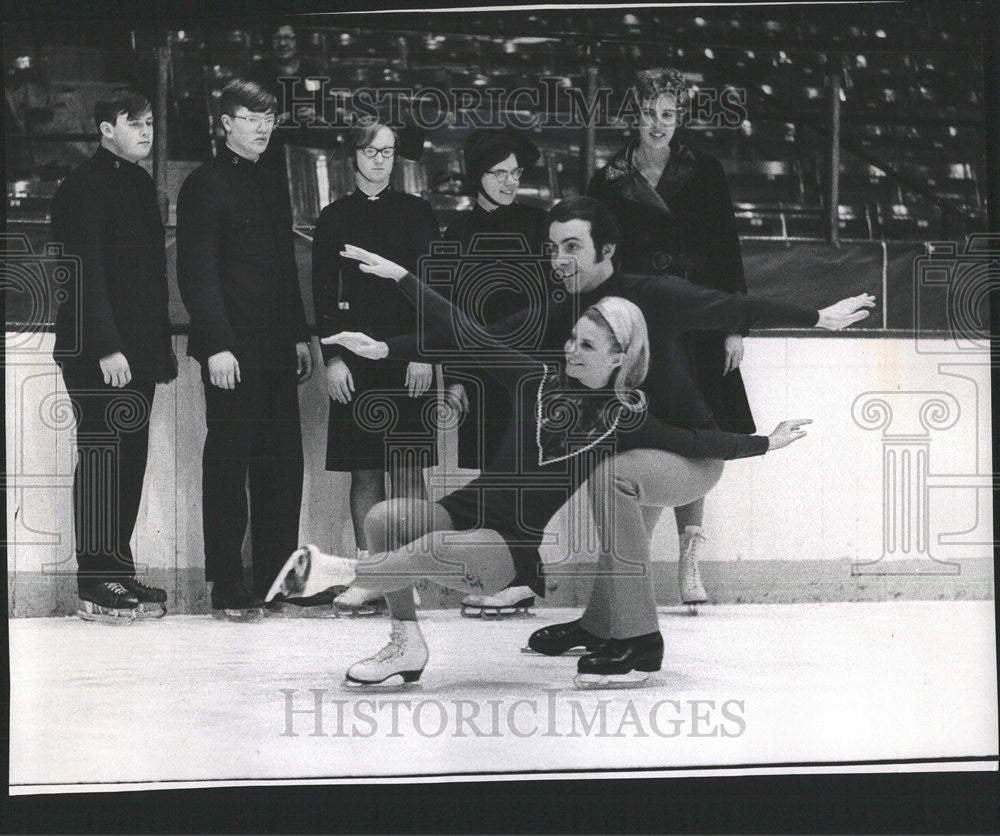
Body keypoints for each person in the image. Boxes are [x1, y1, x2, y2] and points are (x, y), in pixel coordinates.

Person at [267, 234, 872, 689]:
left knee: (428, 554)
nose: (570, 349)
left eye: (587, 345)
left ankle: (339, 575)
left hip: (507, 552)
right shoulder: (535, 380)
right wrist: (400, 277)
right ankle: (405, 646)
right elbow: (465, 330)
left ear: (619, 359)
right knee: (386, 521)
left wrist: (767, 440)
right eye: (571, 338)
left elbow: (699, 444)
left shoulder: (623, 418)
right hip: (466, 511)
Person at [588, 67, 754, 608]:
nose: (659, 124)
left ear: (679, 117)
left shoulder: (704, 171)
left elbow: (727, 247)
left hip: (699, 320)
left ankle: (689, 559)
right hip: (641, 327)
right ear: (632, 114)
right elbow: (600, 260)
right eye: (649, 113)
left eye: (669, 114)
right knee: (647, 437)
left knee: (698, 436)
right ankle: (629, 569)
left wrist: (734, 324)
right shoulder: (608, 179)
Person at [176, 78, 313, 622]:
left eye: (269, 117)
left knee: (283, 465)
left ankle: (276, 578)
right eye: (251, 118)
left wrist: (299, 334)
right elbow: (197, 271)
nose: (263, 127)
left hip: (278, 347)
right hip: (231, 351)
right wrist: (216, 345)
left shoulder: (271, 180)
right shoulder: (204, 185)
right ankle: (227, 581)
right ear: (225, 123)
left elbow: (284, 267)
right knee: (229, 466)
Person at [51, 89, 176, 622]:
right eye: (135, 123)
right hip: (99, 352)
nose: (147, 132)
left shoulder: (140, 181)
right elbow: (84, 272)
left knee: (130, 460)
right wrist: (106, 346)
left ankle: (117, 571)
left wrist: (151, 350)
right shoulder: (82, 186)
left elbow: (147, 277)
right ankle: (96, 579)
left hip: (137, 350)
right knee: (103, 458)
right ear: (106, 129)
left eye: (149, 123)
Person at [306, 114, 439, 618]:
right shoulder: (334, 216)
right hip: (355, 358)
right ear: (354, 156)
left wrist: (424, 353)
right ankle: (372, 574)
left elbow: (433, 288)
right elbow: (321, 291)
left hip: (408, 355)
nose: (379, 159)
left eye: (387, 151)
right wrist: (333, 358)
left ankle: (409, 572)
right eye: (370, 151)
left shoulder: (418, 212)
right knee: (365, 471)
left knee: (408, 471)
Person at [442, 126, 550, 618]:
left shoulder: (537, 224)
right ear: (476, 177)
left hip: (529, 370)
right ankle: (507, 575)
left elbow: (554, 297)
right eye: (499, 173)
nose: (510, 182)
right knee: (491, 475)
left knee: (521, 476)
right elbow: (452, 314)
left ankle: (524, 578)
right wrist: (458, 378)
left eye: (516, 173)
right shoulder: (457, 234)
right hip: (482, 373)